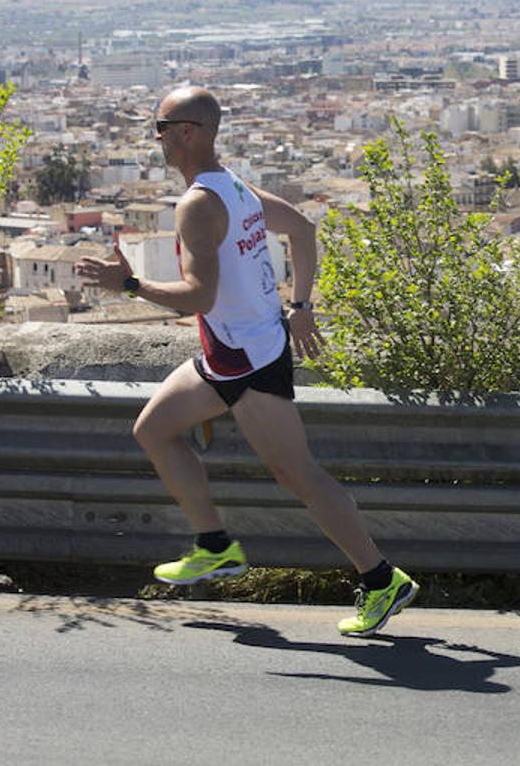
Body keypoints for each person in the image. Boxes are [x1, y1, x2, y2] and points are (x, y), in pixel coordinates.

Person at [75, 86, 416, 637]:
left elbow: (198, 299)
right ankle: (214, 546)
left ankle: (381, 580)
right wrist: (301, 308)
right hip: (233, 353)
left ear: (187, 132)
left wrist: (129, 283)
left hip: (248, 363)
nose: (155, 139)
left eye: (159, 128)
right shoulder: (233, 186)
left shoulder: (197, 205)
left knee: (299, 475)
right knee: (155, 429)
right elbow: (303, 230)